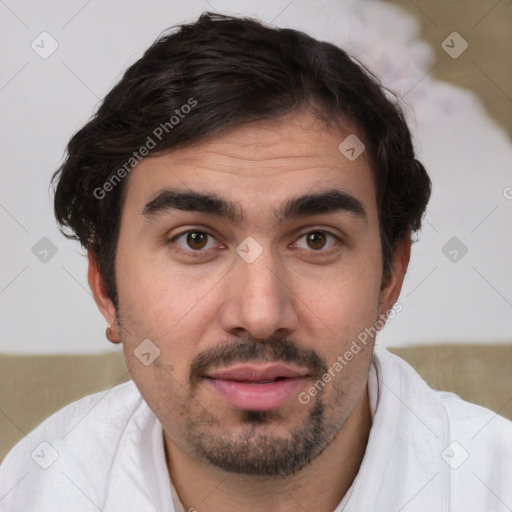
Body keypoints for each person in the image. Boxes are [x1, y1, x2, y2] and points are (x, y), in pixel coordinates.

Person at [1, 11, 510, 512]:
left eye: (315, 240)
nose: (261, 313)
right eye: (195, 240)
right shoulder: (32, 491)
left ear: (390, 276)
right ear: (105, 287)